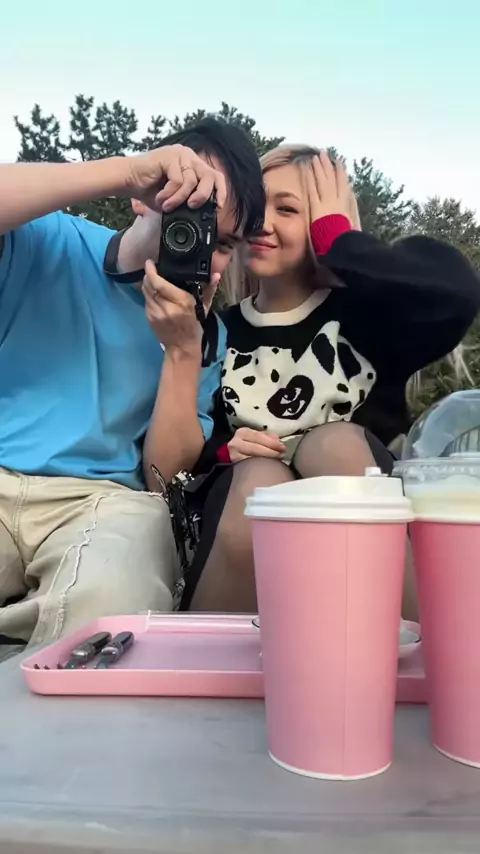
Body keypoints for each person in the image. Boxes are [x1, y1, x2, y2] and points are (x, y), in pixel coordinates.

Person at [177, 145, 480, 613]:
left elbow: (454, 295)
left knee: (332, 443)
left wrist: (340, 242)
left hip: (359, 541)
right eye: (256, 205)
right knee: (258, 480)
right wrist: (222, 450)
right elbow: (187, 444)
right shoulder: (217, 330)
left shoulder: (368, 318)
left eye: (287, 209)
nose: (263, 222)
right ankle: (207, 656)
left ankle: (425, 643)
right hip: (249, 537)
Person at [0, 118, 265, 648]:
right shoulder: (47, 240)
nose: (198, 245)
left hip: (104, 503)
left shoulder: (206, 334)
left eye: (221, 242)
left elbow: (163, 478)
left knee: (110, 597)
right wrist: (124, 172)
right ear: (143, 199)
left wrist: (183, 350)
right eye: (189, 214)